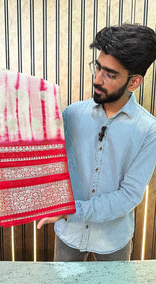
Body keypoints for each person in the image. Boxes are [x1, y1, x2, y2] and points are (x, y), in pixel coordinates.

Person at [37, 24, 156, 261]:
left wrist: (73, 211)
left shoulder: (149, 130)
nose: (98, 79)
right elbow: (51, 166)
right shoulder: (71, 115)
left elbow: (129, 195)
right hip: (69, 235)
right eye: (98, 67)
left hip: (113, 240)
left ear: (134, 82)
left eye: (110, 74)